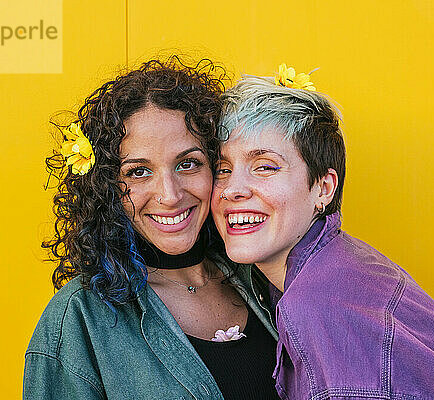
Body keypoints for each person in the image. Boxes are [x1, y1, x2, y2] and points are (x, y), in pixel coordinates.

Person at [211, 67, 434, 399]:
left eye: (265, 166)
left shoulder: (321, 307)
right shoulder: (336, 265)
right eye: (223, 169)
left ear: (323, 188)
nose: (233, 189)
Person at [23, 57, 281, 400]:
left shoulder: (265, 280)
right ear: (107, 186)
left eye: (188, 164)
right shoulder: (79, 320)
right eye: (138, 171)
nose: (170, 195)